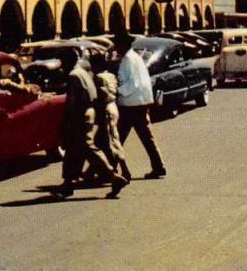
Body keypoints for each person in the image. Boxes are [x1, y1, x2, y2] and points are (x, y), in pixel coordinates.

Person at [55, 51, 129, 200]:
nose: (61, 65)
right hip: (88, 112)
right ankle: (68, 183)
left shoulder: (74, 75)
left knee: (87, 148)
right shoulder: (83, 72)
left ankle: (113, 177)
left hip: (79, 114)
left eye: (63, 61)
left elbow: (72, 102)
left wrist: (65, 122)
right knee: (73, 150)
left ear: (68, 60)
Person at [113, 30, 166, 179]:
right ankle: (158, 166)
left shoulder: (128, 60)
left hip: (132, 105)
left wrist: (117, 92)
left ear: (123, 45)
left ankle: (108, 169)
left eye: (117, 45)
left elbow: (132, 84)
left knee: (117, 138)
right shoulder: (135, 58)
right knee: (146, 138)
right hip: (140, 102)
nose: (115, 48)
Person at [89, 53, 130, 180]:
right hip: (113, 107)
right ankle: (95, 171)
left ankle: (122, 171)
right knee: (102, 141)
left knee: (111, 141)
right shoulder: (111, 75)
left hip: (105, 109)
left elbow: (101, 94)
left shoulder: (99, 78)